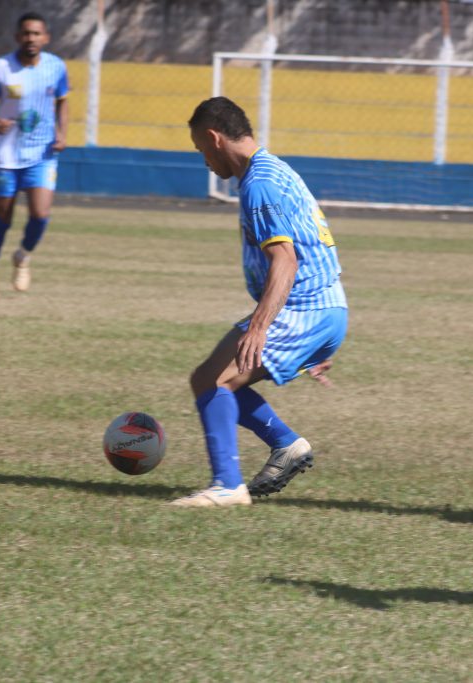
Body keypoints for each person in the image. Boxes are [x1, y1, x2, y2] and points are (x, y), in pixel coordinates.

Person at [170, 96, 348, 509]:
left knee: (216, 382)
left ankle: (227, 486)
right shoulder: (272, 170)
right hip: (321, 307)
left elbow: (286, 259)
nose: (204, 161)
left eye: (200, 149)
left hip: (303, 308)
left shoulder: (259, 184)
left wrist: (260, 327)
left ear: (214, 138)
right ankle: (286, 445)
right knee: (207, 378)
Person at [0, 11, 69, 299]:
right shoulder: (2, 67)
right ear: (18, 37)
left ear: (46, 37)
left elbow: (62, 101)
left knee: (40, 215)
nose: (31, 38)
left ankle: (23, 255)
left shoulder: (56, 67)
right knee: (3, 216)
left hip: (43, 152)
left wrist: (62, 133)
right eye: (26, 33)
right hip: (7, 154)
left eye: (36, 33)